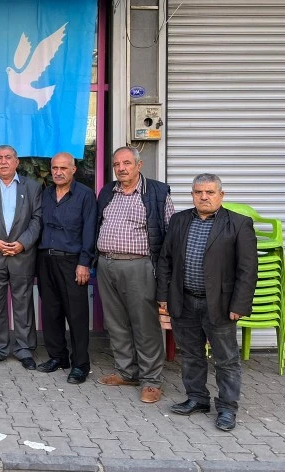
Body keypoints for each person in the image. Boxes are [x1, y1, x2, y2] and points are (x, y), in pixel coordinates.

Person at [157, 174, 257, 432]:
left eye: (210, 192)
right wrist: (164, 296)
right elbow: (166, 260)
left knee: (226, 360)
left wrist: (239, 305)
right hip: (184, 301)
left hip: (220, 305)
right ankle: (197, 398)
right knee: (191, 355)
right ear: (192, 195)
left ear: (221, 195)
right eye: (198, 192)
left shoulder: (239, 224)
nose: (204, 197)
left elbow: (247, 270)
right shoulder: (179, 220)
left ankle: (227, 408)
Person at [95, 146, 174, 403]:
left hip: (139, 266)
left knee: (145, 324)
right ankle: (126, 372)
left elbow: (170, 234)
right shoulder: (108, 191)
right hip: (107, 264)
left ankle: (151, 380)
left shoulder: (157, 192)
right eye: (117, 164)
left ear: (139, 165)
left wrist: (166, 272)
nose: (121, 168)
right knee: (115, 322)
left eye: (127, 163)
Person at [0, 145, 42, 370]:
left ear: (17, 162)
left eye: (8, 157)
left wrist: (22, 243)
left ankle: (24, 349)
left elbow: (37, 219)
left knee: (23, 304)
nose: (3, 162)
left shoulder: (32, 187)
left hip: (22, 255)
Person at [36, 152, 97, 384]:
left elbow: (90, 230)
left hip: (72, 262)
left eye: (63, 168)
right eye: (55, 168)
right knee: (51, 312)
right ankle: (58, 357)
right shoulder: (46, 194)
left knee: (76, 314)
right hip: (46, 259)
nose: (58, 172)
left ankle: (80, 364)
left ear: (73, 170)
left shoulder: (85, 195)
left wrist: (84, 262)